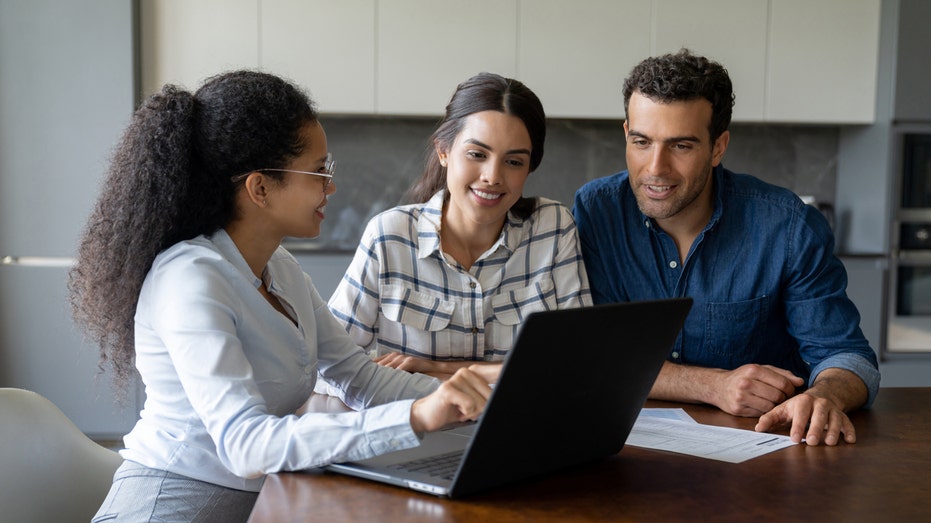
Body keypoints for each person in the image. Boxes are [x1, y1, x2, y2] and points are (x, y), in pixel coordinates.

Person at [68, 70, 497, 522]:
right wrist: (416, 417)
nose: (331, 187)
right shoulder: (189, 278)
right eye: (318, 171)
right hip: (170, 508)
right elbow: (245, 446)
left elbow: (362, 379)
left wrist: (469, 403)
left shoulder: (279, 269)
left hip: (256, 506)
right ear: (260, 187)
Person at [572, 49, 880, 447]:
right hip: (627, 453)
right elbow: (596, 355)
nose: (655, 168)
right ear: (626, 132)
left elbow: (849, 357)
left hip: (764, 453)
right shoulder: (597, 212)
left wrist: (825, 396)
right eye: (641, 142)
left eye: (681, 146)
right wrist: (712, 385)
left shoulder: (787, 226)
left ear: (718, 147)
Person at [325, 72, 592, 381]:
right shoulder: (389, 237)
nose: (493, 176)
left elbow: (579, 363)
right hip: (416, 426)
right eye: (477, 154)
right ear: (443, 151)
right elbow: (329, 365)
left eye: (514, 162)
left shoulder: (554, 228)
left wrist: (439, 370)